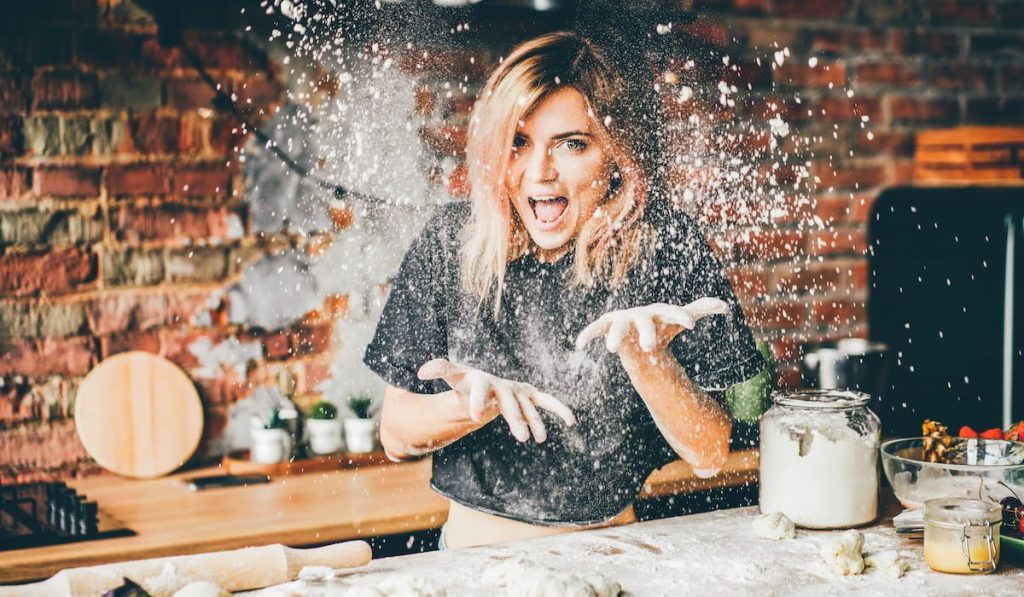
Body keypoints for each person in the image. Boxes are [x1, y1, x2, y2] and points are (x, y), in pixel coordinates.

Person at [364, 30, 764, 549]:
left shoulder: (663, 244)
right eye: (518, 143)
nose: (540, 173)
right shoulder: (450, 244)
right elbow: (396, 436)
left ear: (616, 156)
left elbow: (710, 453)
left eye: (572, 144)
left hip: (614, 554)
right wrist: (476, 407)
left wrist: (647, 360)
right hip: (471, 561)